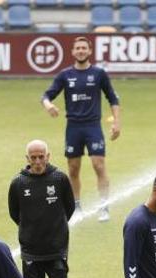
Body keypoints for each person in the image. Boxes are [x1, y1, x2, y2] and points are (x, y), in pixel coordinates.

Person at [41, 36, 121, 222]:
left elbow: (113, 99)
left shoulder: (99, 74)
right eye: (78, 48)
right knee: (73, 169)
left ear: (89, 50)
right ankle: (76, 207)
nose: (81, 51)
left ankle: (104, 207)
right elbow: (47, 95)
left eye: (84, 48)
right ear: (73, 51)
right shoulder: (65, 75)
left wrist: (117, 123)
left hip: (93, 126)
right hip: (73, 128)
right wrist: (48, 105)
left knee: (98, 165)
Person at [8, 139, 78, 278]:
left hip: (56, 249)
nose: (38, 161)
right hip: (31, 251)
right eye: (34, 157)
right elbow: (15, 213)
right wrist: (30, 232)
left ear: (48, 156)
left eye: (41, 157)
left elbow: (69, 208)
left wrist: (56, 231)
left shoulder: (59, 179)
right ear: (27, 159)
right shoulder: (18, 183)